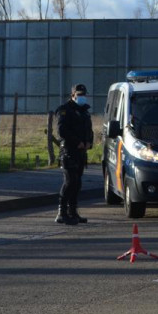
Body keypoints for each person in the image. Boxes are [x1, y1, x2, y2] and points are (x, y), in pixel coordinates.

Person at [54, 83, 94, 225]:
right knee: (70, 181)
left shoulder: (85, 111)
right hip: (69, 151)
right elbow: (62, 131)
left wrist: (89, 141)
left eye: (83, 95)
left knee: (77, 183)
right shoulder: (65, 110)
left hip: (81, 152)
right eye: (79, 95)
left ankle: (73, 212)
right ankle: (62, 212)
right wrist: (77, 142)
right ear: (73, 95)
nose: (82, 97)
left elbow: (89, 130)